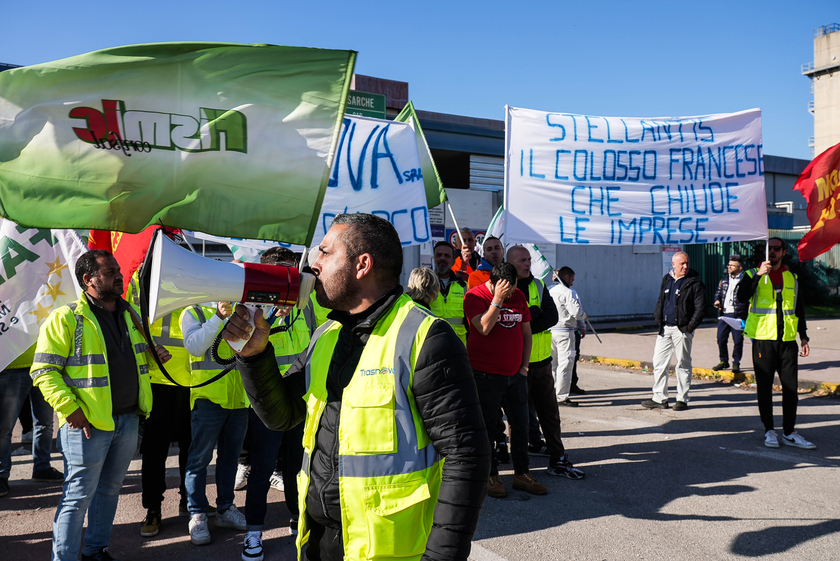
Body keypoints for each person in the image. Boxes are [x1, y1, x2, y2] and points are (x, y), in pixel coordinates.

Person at [223, 213, 489, 561]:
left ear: (362, 265)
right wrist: (255, 357)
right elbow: (282, 415)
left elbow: (467, 456)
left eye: (325, 253)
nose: (313, 265)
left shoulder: (426, 337)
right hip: (316, 542)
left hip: (387, 550)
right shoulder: (326, 336)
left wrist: (442, 556)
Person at [30, 249, 171, 561]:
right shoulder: (66, 317)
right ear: (88, 280)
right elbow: (43, 370)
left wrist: (153, 354)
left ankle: (96, 550)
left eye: (118, 270)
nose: (119, 276)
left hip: (128, 420)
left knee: (108, 492)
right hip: (88, 425)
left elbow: (129, 357)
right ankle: (65, 557)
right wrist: (70, 408)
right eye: (110, 272)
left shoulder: (131, 314)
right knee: (78, 497)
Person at [465, 261, 547, 498]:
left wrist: (524, 367)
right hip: (485, 375)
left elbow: (526, 333)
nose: (511, 294)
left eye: (512, 289)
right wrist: (497, 300)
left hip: (515, 376)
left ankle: (522, 474)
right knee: (489, 428)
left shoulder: (519, 295)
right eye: (506, 289)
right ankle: (491, 477)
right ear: (493, 282)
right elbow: (483, 327)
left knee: (521, 425)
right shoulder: (474, 296)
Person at [127, 272, 197, 538]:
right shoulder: (140, 276)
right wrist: (147, 347)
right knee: (156, 450)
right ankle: (153, 509)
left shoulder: (193, 271)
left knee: (192, 446)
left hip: (193, 376)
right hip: (158, 376)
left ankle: (188, 500)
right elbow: (129, 321)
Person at [507, 250, 584, 481]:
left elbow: (551, 317)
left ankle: (557, 459)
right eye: (522, 260)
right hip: (517, 365)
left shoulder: (539, 285)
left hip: (541, 363)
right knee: (518, 419)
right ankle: (521, 468)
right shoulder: (505, 287)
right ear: (510, 263)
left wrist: (528, 321)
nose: (528, 263)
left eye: (529, 259)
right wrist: (532, 316)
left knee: (550, 415)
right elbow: (509, 322)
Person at [181, 300, 249, 545]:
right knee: (199, 459)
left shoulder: (242, 309)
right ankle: (197, 514)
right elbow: (195, 347)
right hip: (209, 398)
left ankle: (225, 509)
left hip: (239, 399)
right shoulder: (194, 311)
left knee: (231, 458)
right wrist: (219, 318)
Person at [736, 238, 814, 449]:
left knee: (790, 389)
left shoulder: (792, 277)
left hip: (787, 342)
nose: (772, 252)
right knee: (764, 388)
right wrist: (760, 274)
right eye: (769, 248)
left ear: (784, 252)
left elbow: (799, 309)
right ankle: (769, 430)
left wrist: (803, 336)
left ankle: (789, 432)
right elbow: (741, 297)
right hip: (763, 340)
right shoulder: (753, 274)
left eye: (776, 249)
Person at [642, 252, 705, 411]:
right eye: (682, 263)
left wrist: (690, 326)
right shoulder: (667, 279)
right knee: (659, 362)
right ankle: (659, 398)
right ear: (674, 265)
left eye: (687, 263)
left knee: (683, 364)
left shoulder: (694, 282)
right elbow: (661, 301)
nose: (685, 266)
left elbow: (700, 308)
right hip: (665, 329)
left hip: (682, 330)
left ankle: (682, 399)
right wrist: (658, 317)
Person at [1, 345, 62, 499]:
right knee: (5, 427)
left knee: (46, 423)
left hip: (43, 363)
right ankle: (1, 476)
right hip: (12, 365)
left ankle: (42, 468)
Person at [549, 266, 587, 406]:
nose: (572, 283)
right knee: (565, 364)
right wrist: (584, 316)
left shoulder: (550, 290)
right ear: (566, 277)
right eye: (572, 279)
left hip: (551, 331)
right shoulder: (568, 292)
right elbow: (576, 312)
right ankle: (562, 396)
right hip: (565, 332)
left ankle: (552, 393)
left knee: (553, 364)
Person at [713, 255, 748, 373]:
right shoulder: (724, 280)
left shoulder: (745, 281)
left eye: (732, 265)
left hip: (738, 315)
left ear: (740, 268)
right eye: (729, 265)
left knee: (738, 340)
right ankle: (723, 360)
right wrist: (717, 300)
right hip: (724, 314)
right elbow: (718, 293)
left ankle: (736, 363)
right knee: (720, 339)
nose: (729, 267)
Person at [429, 241, 468, 346]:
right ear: (433, 259)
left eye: (447, 256)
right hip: (433, 345)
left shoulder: (463, 286)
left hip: (458, 347)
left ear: (453, 261)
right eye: (439, 255)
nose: (442, 258)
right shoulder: (425, 286)